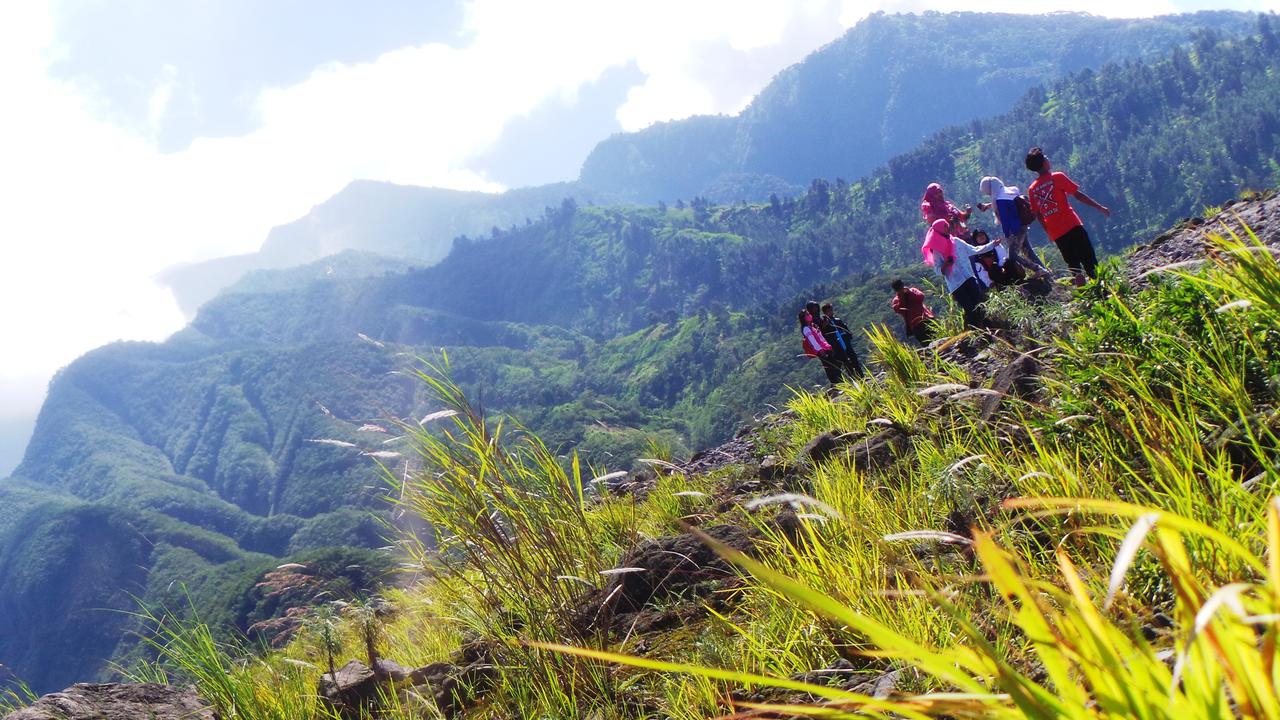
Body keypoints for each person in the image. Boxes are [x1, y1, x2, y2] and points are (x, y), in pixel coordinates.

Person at [1024, 147, 1111, 286]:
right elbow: (1078, 195)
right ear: (1044, 163)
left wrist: (1049, 233)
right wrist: (1099, 207)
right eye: (1045, 157)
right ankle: (1102, 291)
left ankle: (1086, 294)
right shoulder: (1057, 177)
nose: (1048, 158)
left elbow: (1039, 215)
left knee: (1074, 266)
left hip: (1057, 232)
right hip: (1072, 225)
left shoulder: (1032, 189)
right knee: (1089, 260)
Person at [923, 218, 1001, 330]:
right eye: (945, 226)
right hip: (956, 285)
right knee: (970, 309)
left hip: (969, 277)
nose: (948, 227)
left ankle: (989, 328)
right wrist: (945, 264)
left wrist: (992, 245)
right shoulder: (937, 251)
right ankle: (979, 334)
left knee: (980, 303)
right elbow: (938, 270)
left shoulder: (956, 241)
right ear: (939, 230)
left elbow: (974, 250)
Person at [976, 175, 1049, 275]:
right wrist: (988, 206)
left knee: (1013, 257)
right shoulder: (1011, 190)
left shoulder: (1000, 201)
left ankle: (1037, 269)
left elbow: (1005, 220)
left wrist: (1007, 235)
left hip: (1015, 230)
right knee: (1029, 251)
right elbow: (1008, 203)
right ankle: (1045, 272)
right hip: (1023, 224)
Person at [820, 303, 867, 377]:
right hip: (837, 345)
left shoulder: (837, 320)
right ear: (825, 312)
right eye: (829, 311)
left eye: (831, 310)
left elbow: (846, 329)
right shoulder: (824, 324)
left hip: (845, 342)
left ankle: (861, 375)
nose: (831, 312)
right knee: (845, 362)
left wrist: (848, 336)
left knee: (853, 358)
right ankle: (853, 377)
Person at [799, 306, 841, 387]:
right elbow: (813, 341)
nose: (809, 316)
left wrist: (828, 346)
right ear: (804, 318)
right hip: (821, 350)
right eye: (807, 315)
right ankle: (836, 384)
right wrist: (820, 350)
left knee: (834, 364)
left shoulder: (812, 326)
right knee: (829, 367)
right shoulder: (806, 329)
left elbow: (821, 337)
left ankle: (839, 382)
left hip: (826, 347)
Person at [890, 279, 934, 345]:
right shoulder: (896, 300)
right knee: (926, 343)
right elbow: (899, 310)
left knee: (938, 337)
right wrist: (902, 297)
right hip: (916, 325)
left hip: (926, 318)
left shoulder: (913, 290)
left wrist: (909, 293)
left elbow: (921, 297)